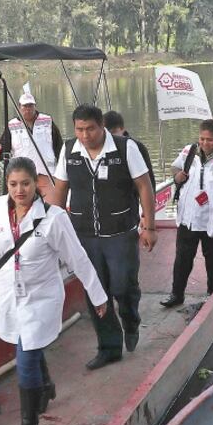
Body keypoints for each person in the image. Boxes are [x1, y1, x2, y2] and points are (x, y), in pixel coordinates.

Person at [0, 157, 108, 425]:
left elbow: (77, 258)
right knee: (28, 347)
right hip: (8, 296)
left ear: (36, 185)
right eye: (13, 184)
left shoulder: (53, 219)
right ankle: (46, 384)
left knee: (24, 357)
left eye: (25, 183)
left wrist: (97, 295)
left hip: (41, 299)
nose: (19, 190)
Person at [49, 104, 158, 370]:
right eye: (79, 129)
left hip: (121, 233)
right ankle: (109, 347)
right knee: (96, 292)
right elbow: (60, 191)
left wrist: (149, 227)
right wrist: (50, 231)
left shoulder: (124, 148)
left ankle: (130, 318)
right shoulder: (69, 151)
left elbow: (144, 186)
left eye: (90, 129)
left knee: (123, 286)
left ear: (101, 127)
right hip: (84, 236)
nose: (85, 135)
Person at [161, 119, 213, 308]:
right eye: (202, 139)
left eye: (210, 140)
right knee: (182, 257)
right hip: (188, 218)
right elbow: (175, 167)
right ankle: (177, 294)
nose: (205, 143)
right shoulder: (189, 152)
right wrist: (177, 176)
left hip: (212, 220)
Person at [0, 84, 63, 196]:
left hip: (47, 173)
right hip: (23, 176)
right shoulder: (12, 126)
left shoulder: (47, 121)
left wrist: (62, 169)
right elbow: (1, 151)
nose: (28, 109)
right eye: (25, 106)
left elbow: (59, 146)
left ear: (35, 106)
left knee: (50, 203)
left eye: (30, 106)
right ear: (19, 107)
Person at [104, 110, 155, 190]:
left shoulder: (136, 147)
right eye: (107, 134)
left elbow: (150, 179)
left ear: (122, 129)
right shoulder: (103, 147)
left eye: (114, 132)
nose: (111, 137)